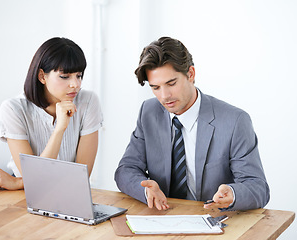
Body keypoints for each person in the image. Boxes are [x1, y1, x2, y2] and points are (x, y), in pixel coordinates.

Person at [114, 36, 270, 211]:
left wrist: (234, 193)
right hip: (162, 217)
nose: (164, 96)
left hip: (214, 221)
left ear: (191, 74)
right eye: (155, 87)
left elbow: (258, 188)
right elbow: (126, 170)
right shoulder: (148, 112)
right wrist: (145, 190)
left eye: (171, 83)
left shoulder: (234, 121)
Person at [0, 37, 103, 190]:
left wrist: (18, 182)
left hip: (68, 193)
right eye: (65, 76)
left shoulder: (88, 102)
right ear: (42, 76)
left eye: (79, 75)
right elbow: (36, 182)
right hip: (23, 197)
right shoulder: (13, 109)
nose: (75, 84)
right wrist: (60, 128)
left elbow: (81, 178)